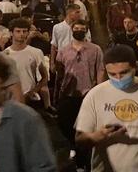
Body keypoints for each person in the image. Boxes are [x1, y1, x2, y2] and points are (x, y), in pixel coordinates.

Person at [54, 19, 105, 171]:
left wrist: (98, 88)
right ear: (72, 29)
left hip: (87, 93)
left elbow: (100, 69)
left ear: (86, 30)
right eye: (76, 28)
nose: (79, 30)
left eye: (82, 28)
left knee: (86, 126)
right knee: (67, 124)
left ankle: (85, 158)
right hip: (68, 93)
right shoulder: (63, 50)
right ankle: (74, 148)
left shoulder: (95, 49)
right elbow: (60, 71)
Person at [3, 18, 48, 107]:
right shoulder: (4, 55)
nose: (21, 34)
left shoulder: (36, 52)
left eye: (24, 31)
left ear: (28, 33)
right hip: (10, 100)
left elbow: (44, 77)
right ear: (11, 33)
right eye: (18, 31)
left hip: (30, 99)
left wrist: (33, 91)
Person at [50, 4, 88, 74]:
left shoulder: (82, 27)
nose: (80, 14)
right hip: (62, 61)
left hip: (78, 60)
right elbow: (54, 45)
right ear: (69, 13)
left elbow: (88, 42)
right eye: (77, 12)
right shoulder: (57, 27)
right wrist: (52, 63)